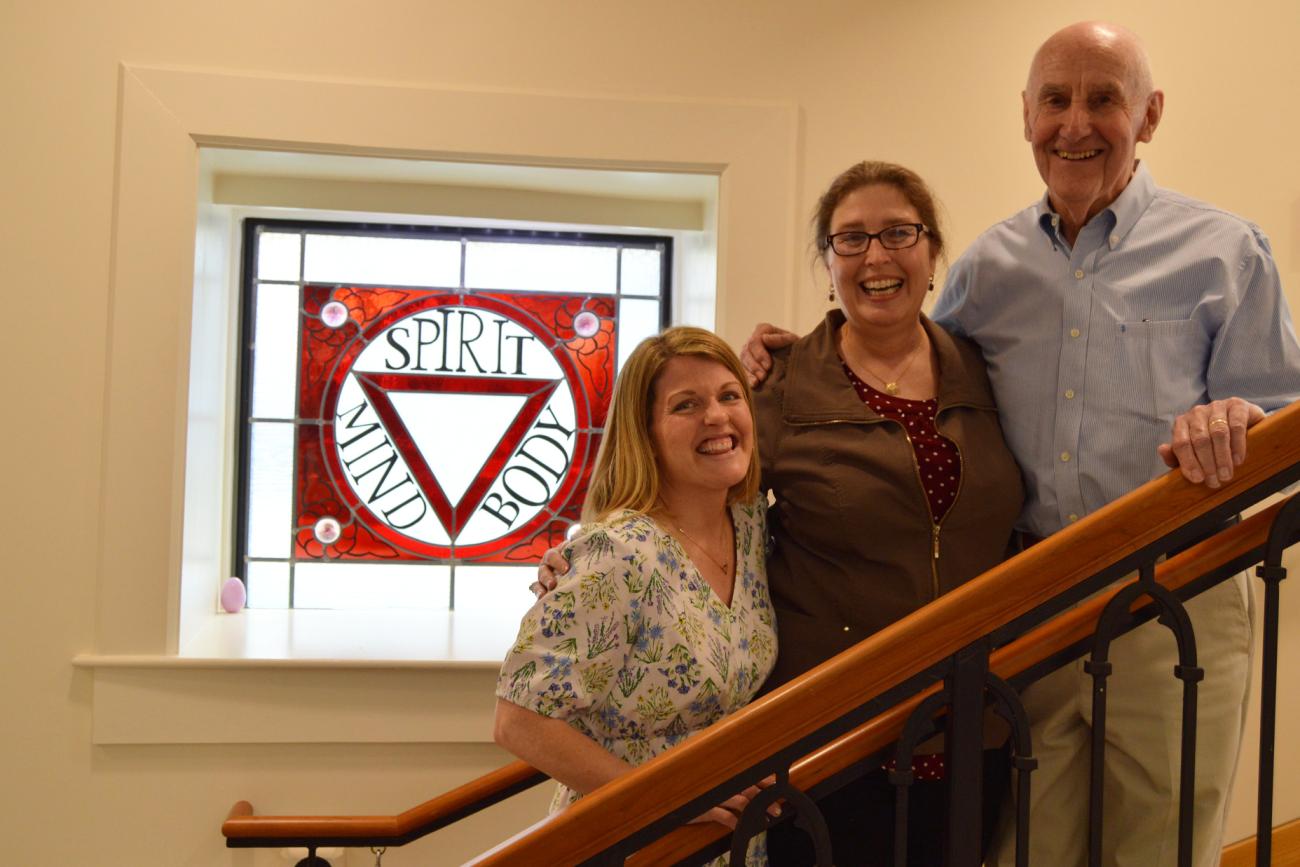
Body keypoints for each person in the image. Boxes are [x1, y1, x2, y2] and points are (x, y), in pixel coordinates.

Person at [742, 22, 1300, 867]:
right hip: (1030, 600)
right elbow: (901, 360)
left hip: (1176, 594)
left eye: (1103, 98)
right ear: (1026, 117)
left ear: (1148, 116)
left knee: (1155, 847)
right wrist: (786, 358)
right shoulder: (986, 268)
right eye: (1055, 100)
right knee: (1021, 846)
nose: (1075, 123)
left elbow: (1281, 416)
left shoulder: (1226, 251)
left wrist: (1238, 420)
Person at [539, 162, 1026, 866]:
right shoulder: (776, 384)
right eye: (850, 239)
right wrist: (584, 552)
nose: (876, 257)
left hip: (972, 728)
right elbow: (683, 488)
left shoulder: (987, 369)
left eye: (898, 233)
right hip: (830, 740)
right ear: (827, 265)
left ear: (931, 253)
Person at [495, 326, 777, 866]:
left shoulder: (753, 527)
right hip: (635, 839)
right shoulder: (614, 552)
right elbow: (519, 722)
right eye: (686, 405)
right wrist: (666, 799)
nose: (715, 417)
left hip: (728, 840)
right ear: (645, 433)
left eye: (728, 396)